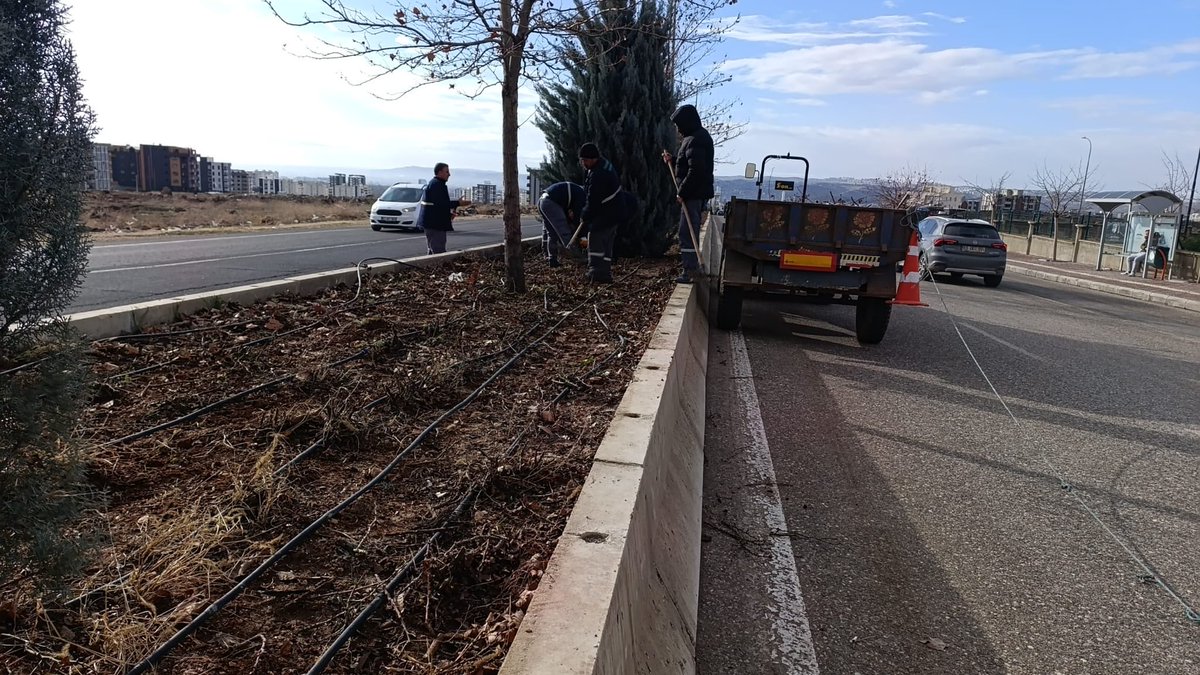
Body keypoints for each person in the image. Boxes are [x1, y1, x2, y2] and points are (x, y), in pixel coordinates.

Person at [662, 103, 714, 284]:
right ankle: (691, 268)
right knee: (686, 231)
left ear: (686, 122)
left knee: (686, 232)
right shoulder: (693, 138)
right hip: (695, 193)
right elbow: (689, 163)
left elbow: (696, 171)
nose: (677, 129)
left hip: (693, 194)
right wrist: (674, 160)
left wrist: (682, 192)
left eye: (678, 124)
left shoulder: (696, 139)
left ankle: (691, 270)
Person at [578, 142, 621, 283]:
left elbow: (593, 200)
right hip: (614, 212)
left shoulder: (598, 174)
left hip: (606, 213)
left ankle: (595, 272)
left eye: (585, 160)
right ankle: (605, 272)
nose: (583, 163)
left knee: (595, 239)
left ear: (593, 158)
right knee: (607, 243)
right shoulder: (603, 165)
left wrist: (585, 214)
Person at [417, 162, 470, 255]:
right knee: (438, 251)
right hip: (435, 224)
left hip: (432, 222)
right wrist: (459, 203)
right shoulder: (437, 185)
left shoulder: (435, 184)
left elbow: (436, 205)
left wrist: (448, 214)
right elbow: (441, 204)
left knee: (432, 249)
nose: (449, 174)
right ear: (440, 172)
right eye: (447, 172)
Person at [537, 181, 586, 267]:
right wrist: (581, 235)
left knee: (550, 233)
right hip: (551, 202)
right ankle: (580, 258)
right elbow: (577, 216)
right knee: (565, 232)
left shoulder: (573, 191)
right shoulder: (582, 195)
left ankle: (550, 258)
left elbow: (568, 214)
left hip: (542, 201)